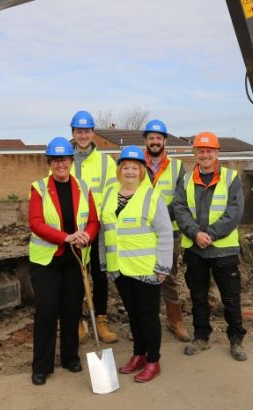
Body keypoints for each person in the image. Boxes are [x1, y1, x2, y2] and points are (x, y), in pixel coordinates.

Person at [28, 136, 100, 386]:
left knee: (72, 310)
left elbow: (93, 221)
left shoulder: (82, 186)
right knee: (46, 311)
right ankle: (42, 365)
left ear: (71, 161)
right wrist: (65, 237)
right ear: (50, 162)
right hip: (46, 261)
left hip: (75, 259)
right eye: (56, 160)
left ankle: (70, 357)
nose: (61, 165)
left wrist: (86, 237)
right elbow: (36, 223)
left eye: (65, 160)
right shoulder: (38, 188)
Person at [98, 145, 173, 382]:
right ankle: (139, 354)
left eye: (134, 167)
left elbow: (165, 232)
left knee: (148, 315)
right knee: (132, 314)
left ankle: (153, 360)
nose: (129, 171)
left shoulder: (151, 196)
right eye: (125, 167)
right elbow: (104, 231)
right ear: (119, 170)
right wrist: (104, 261)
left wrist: (163, 266)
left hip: (145, 269)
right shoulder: (110, 194)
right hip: (119, 268)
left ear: (142, 171)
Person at [173, 132, 248, 361]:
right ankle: (201, 337)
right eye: (201, 151)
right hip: (196, 249)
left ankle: (236, 340)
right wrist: (196, 234)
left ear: (217, 152)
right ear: (195, 153)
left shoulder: (231, 178)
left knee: (231, 297)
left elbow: (234, 212)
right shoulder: (186, 179)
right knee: (198, 296)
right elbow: (180, 208)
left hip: (224, 250)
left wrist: (211, 234)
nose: (205, 155)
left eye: (209, 151)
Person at [69, 110, 119, 343]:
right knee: (78, 275)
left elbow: (112, 194)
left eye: (87, 131)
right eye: (79, 131)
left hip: (97, 227)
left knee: (99, 277)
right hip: (74, 229)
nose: (83, 135)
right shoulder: (63, 159)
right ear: (73, 133)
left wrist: (103, 223)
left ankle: (100, 319)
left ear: (92, 133)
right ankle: (78, 321)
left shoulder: (105, 162)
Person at [141, 119, 190, 342]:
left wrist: (160, 219)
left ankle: (175, 321)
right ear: (146, 141)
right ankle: (144, 323)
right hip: (140, 232)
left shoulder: (177, 167)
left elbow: (181, 201)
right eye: (151, 138)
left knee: (169, 276)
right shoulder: (134, 164)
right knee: (141, 277)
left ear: (164, 140)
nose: (154, 141)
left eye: (158, 138)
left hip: (170, 232)